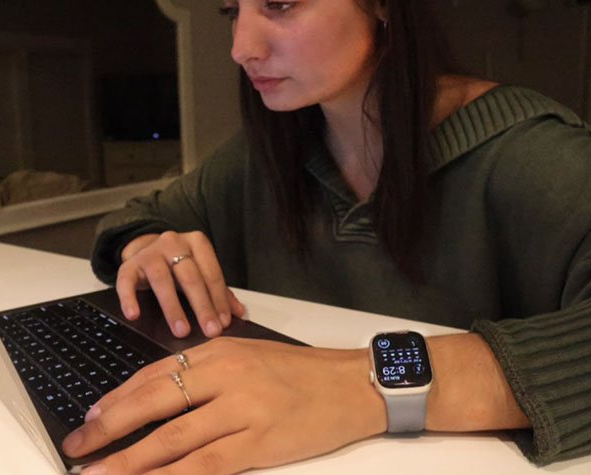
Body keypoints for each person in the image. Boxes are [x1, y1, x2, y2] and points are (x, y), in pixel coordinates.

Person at [62, 1, 591, 473]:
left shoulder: (536, 156)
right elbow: (135, 219)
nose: (241, 48)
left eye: (280, 4)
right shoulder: (265, 153)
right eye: (231, 11)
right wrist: (149, 245)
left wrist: (359, 386)